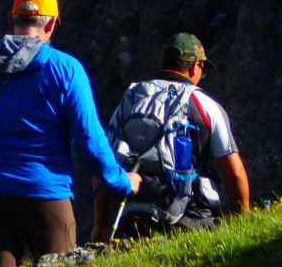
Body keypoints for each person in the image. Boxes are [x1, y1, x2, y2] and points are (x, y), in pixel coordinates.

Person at [0, 0, 138, 267]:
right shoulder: (66, 69)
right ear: (50, 25)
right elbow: (90, 141)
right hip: (46, 196)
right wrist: (121, 182)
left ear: (12, 20)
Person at [94, 33, 250, 238]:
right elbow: (234, 172)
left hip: (132, 217)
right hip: (190, 219)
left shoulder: (131, 98)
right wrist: (243, 217)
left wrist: (99, 224)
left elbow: (102, 163)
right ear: (194, 67)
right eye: (202, 69)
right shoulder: (205, 105)